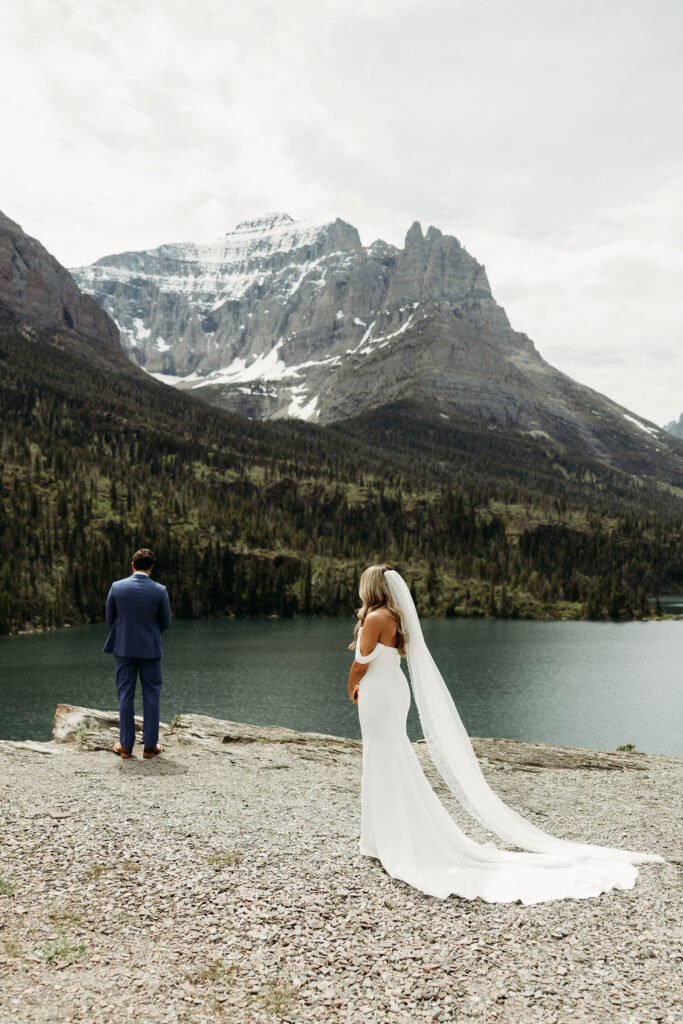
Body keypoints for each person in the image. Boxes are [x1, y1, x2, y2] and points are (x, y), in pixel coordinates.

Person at [347, 564, 663, 904]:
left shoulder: (376, 618)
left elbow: (362, 661)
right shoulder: (393, 618)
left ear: (370, 586)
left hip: (378, 692)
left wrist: (351, 684)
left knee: (382, 757)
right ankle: (386, 835)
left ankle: (385, 838)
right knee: (392, 757)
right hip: (393, 689)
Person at [103, 548, 172, 759]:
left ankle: (125, 746)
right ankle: (150, 747)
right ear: (151, 568)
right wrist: (150, 634)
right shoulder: (160, 590)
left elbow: (109, 618)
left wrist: (125, 634)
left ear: (132, 565)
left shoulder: (117, 587)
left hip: (123, 649)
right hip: (150, 649)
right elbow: (165, 621)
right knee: (152, 695)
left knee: (125, 694)